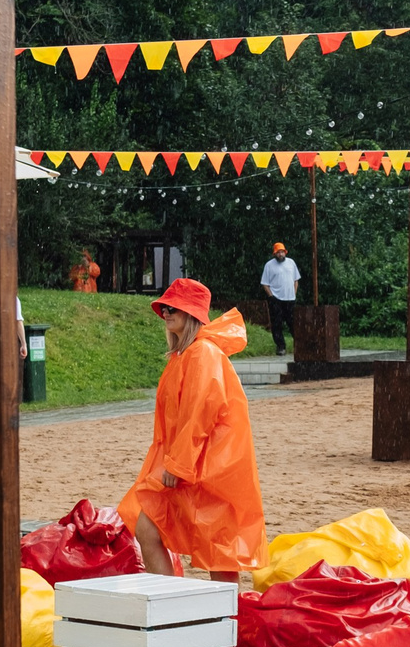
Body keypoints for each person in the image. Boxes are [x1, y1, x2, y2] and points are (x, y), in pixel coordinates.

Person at [117, 279, 265, 579]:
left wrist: (179, 463)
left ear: (192, 314)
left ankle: (220, 619)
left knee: (218, 550)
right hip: (193, 465)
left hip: (210, 468)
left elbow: (200, 412)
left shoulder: (202, 354)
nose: (166, 313)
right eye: (165, 308)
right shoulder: (187, 355)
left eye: (174, 308)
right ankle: (172, 610)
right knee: (152, 528)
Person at [260, 241, 301, 354]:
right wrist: (271, 297)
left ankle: (299, 345)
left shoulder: (291, 263)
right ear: (274, 254)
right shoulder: (269, 265)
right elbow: (264, 283)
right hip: (276, 299)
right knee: (277, 324)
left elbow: (296, 280)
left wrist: (294, 294)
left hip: (290, 299)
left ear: (285, 252)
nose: (280, 254)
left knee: (293, 323)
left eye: (282, 252)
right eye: (278, 252)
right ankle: (281, 346)